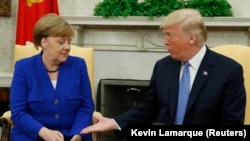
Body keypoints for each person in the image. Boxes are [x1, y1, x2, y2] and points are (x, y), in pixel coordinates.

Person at [80, 8, 246, 138]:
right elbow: (148, 109)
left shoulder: (228, 71)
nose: (165, 41)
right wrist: (115, 122)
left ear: (191, 38)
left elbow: (231, 126)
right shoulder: (163, 67)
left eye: (170, 35)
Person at [10, 13, 95, 141]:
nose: (67, 47)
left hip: (72, 135)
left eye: (69, 41)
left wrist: (77, 134)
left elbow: (86, 107)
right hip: (33, 136)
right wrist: (43, 132)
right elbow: (18, 112)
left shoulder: (79, 65)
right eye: (61, 42)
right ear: (44, 42)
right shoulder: (24, 68)